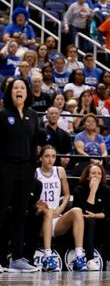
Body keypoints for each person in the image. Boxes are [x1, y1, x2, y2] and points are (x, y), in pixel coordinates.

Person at [0, 79, 40, 272]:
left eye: (22, 88)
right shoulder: (3, 115)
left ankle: (16, 258)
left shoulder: (32, 116)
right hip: (5, 168)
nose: (19, 90)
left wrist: (33, 165)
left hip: (26, 170)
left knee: (20, 215)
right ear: (10, 92)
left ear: (27, 93)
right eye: (15, 87)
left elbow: (35, 143)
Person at [36, 145, 89, 271]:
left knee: (77, 211)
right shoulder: (35, 172)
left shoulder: (60, 171)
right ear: (41, 158)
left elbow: (66, 195)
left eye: (53, 156)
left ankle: (79, 257)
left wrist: (60, 209)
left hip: (56, 217)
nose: (50, 159)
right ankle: (47, 257)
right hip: (40, 217)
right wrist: (40, 207)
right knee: (48, 211)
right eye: (47, 156)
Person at [73, 163, 110, 270]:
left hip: (98, 221)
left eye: (99, 173)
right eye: (93, 173)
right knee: (90, 221)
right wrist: (93, 191)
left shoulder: (106, 189)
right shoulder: (79, 190)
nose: (97, 175)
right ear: (87, 176)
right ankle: (89, 259)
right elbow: (85, 212)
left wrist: (96, 215)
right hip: (82, 225)